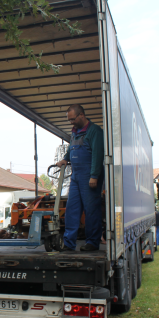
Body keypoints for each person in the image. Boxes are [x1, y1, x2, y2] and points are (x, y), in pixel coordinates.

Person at [56, 104, 104, 252]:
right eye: (69, 120)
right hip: (76, 177)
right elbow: (72, 148)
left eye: (72, 119)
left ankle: (92, 242)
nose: (71, 122)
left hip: (89, 176)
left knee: (91, 211)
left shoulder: (94, 131)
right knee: (72, 210)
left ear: (81, 115)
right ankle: (69, 244)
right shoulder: (75, 132)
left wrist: (94, 176)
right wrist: (65, 158)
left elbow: (97, 154)